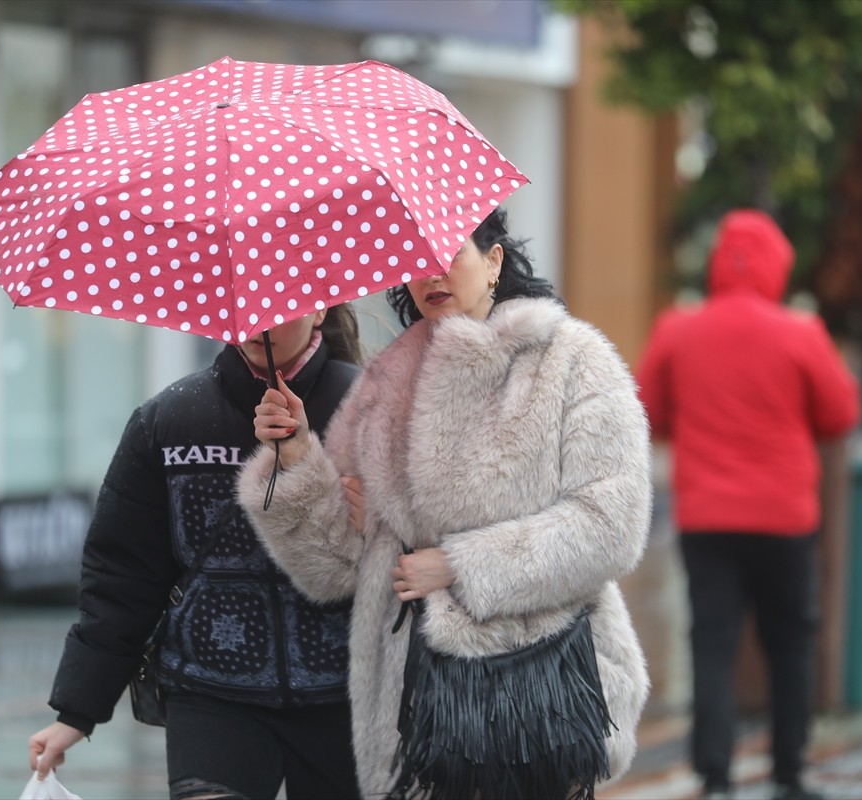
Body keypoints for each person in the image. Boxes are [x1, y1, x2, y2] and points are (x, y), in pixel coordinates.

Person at [235, 207, 652, 798]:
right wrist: (298, 460)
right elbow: (334, 567)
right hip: (415, 708)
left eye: (449, 254)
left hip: (539, 685)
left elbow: (611, 525)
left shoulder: (571, 361)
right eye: (415, 263)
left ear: (493, 261)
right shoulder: (384, 384)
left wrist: (460, 566)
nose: (431, 274)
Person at [27, 305, 365, 800]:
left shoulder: (372, 407)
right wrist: (76, 712)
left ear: (319, 314)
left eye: (283, 307)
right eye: (250, 307)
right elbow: (123, 575)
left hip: (350, 694)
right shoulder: (168, 420)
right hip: (212, 695)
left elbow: (412, 549)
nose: (260, 323)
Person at [636, 209, 860, 800]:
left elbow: (647, 414)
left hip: (709, 516)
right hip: (785, 517)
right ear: (776, 266)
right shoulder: (801, 332)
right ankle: (789, 771)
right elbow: (841, 415)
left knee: (712, 642)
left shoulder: (678, 330)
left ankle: (715, 776)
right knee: (789, 643)